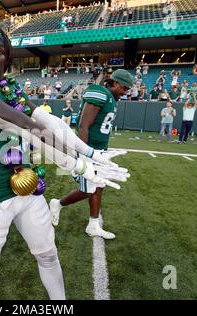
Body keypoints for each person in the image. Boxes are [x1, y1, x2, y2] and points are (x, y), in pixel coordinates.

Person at [0, 28, 127, 300]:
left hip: (30, 186)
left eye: (0, 51)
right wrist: (78, 166)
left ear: (7, 60)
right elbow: (22, 125)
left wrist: (90, 153)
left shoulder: (9, 86)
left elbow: (48, 122)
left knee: (48, 255)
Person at [49, 69, 134, 239]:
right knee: (89, 190)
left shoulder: (111, 98)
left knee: (98, 186)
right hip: (88, 150)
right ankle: (57, 204)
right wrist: (84, 154)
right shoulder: (100, 93)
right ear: (115, 83)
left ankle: (93, 225)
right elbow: (83, 125)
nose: (125, 92)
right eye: (124, 88)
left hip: (98, 150)